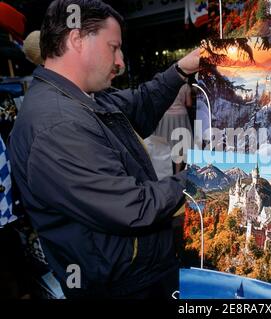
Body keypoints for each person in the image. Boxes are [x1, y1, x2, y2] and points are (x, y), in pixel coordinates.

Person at [8, 0, 199, 299]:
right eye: (114, 47)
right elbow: (133, 208)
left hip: (133, 270)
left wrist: (180, 70)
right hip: (121, 287)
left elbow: (139, 104)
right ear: (76, 39)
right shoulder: (57, 124)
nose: (121, 61)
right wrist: (207, 179)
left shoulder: (82, 97)